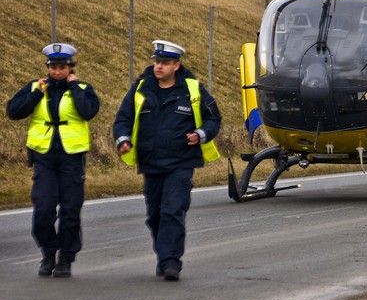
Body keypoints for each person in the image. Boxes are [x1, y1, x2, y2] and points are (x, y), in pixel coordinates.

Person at [113, 40, 221, 281]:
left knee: (173, 209)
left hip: (181, 163)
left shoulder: (192, 90)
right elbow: (123, 118)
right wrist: (122, 139)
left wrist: (201, 134)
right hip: (151, 163)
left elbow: (213, 118)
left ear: (176, 65)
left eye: (164, 63)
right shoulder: (141, 89)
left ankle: (171, 261)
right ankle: (164, 254)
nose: (158, 67)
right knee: (155, 215)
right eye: (156, 62)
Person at [6, 43, 100, 278]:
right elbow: (13, 111)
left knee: (70, 210)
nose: (57, 72)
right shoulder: (35, 88)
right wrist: (37, 93)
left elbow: (88, 111)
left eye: (62, 67)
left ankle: (66, 257)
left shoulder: (82, 88)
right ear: (47, 68)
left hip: (71, 157)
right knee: (44, 209)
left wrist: (75, 88)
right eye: (53, 67)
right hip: (44, 158)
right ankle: (48, 252)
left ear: (70, 68)